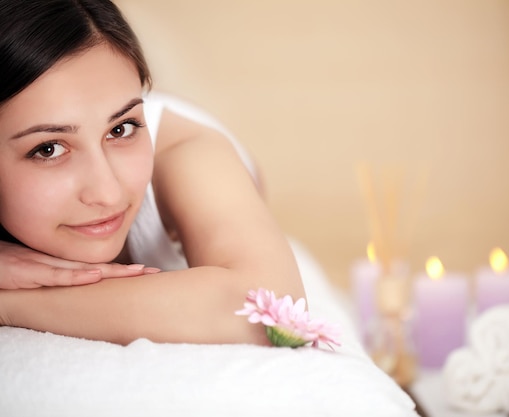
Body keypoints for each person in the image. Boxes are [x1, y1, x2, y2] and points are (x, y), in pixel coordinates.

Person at [0, 0, 305, 346]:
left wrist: (12, 303)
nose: (108, 192)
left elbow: (276, 313)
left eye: (121, 129)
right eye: (49, 149)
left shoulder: (187, 154)